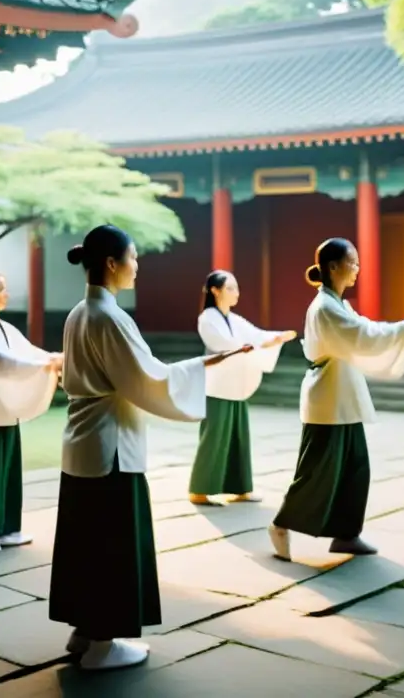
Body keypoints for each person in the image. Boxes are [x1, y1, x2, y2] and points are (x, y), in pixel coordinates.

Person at [49, 224, 252, 671]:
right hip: (110, 446)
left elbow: (138, 372)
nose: (137, 266)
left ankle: (84, 631)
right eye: (133, 257)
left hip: (82, 440)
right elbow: (148, 379)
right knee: (110, 543)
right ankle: (103, 643)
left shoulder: (77, 313)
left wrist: (203, 363)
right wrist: (202, 365)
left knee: (84, 541)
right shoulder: (110, 317)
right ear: (111, 263)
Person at [268, 238, 404, 560]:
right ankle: (280, 524)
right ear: (334, 267)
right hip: (328, 399)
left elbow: (365, 329)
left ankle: (345, 533)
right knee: (316, 472)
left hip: (342, 396)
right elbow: (366, 336)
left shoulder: (339, 304)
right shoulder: (325, 307)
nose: (357, 269)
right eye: (353, 262)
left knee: (355, 469)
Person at [0, 272, 63, 554]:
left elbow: (28, 352)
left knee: (7, 471)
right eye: (2, 289)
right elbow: (1, 363)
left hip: (4, 409)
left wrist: (52, 359)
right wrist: (47, 365)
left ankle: (5, 528)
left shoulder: (3, 328)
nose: (6, 294)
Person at [189, 270, 297, 506]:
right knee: (214, 438)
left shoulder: (234, 319)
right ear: (215, 290)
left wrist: (277, 338)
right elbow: (224, 345)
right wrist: (252, 346)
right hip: (216, 386)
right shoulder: (207, 318)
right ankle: (199, 490)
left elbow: (257, 335)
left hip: (235, 385)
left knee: (239, 439)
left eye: (236, 288)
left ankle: (239, 488)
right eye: (230, 288)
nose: (235, 292)